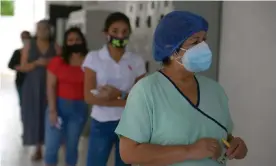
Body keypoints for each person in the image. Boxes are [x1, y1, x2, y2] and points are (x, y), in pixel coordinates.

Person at [115, 11, 248, 166]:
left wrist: (236, 146)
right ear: (172, 48)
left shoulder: (215, 90)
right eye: (195, 42)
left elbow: (225, 136)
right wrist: (189, 151)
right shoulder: (146, 91)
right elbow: (129, 153)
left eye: (204, 40)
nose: (203, 46)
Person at [82, 12, 146, 166]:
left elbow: (142, 98)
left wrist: (116, 94)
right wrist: (126, 100)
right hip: (101, 123)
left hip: (128, 125)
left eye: (125, 32)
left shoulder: (136, 61)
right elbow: (89, 97)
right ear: (106, 33)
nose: (120, 36)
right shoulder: (93, 58)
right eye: (115, 31)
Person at [16, 19, 61, 161]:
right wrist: (36, 63)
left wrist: (50, 63)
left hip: (52, 86)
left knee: (51, 115)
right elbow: (22, 67)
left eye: (45, 28)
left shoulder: (56, 46)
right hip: (32, 86)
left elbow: (63, 64)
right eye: (40, 28)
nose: (42, 31)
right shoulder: (29, 45)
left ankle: (51, 147)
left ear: (50, 30)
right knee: (34, 116)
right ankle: (37, 148)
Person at [44, 27, 88, 166]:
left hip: (79, 109)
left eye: (77, 39)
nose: (74, 42)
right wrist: (52, 110)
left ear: (82, 41)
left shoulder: (90, 62)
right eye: (70, 40)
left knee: (71, 147)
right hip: (58, 107)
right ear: (65, 43)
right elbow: (50, 87)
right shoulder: (58, 61)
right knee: (51, 146)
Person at [8, 31, 31, 117]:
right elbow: (10, 65)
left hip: (32, 81)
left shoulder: (33, 53)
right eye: (23, 37)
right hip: (21, 81)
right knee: (23, 103)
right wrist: (19, 67)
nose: (25, 40)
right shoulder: (17, 52)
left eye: (26, 37)